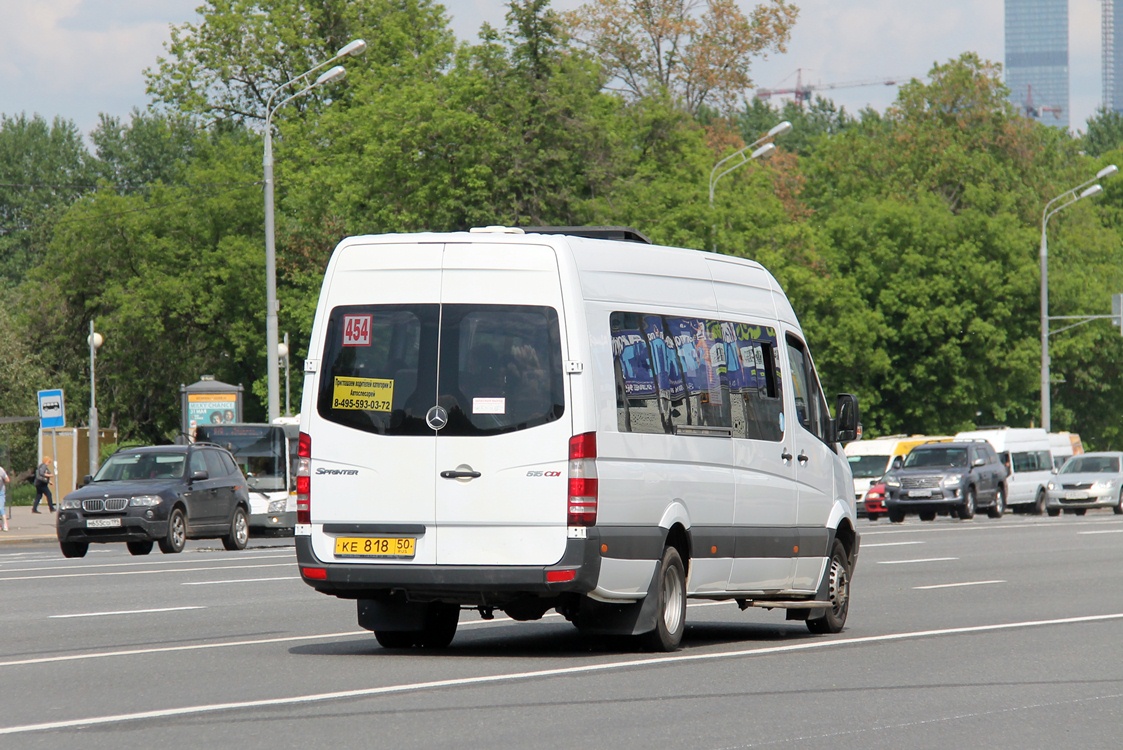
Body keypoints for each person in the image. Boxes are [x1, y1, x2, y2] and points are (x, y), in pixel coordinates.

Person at [0, 462, 9, 531]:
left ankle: (5, 524)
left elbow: (7, 479)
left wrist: (4, 480)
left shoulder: (1, 470)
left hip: (1, 492)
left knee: (1, 508)